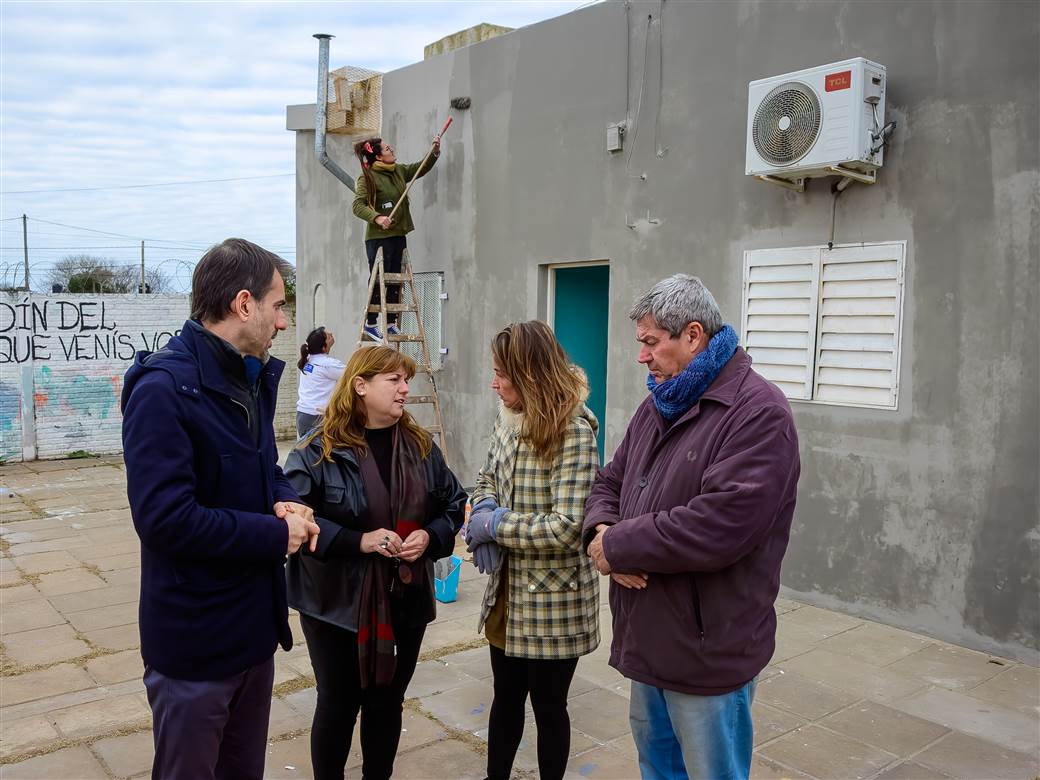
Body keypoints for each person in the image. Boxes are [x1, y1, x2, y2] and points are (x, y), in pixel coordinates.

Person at [581, 274, 800, 780]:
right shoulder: (659, 402)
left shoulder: (759, 413)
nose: (642, 357)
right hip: (651, 637)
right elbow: (609, 482)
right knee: (657, 766)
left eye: (651, 343)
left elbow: (720, 524)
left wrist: (622, 545)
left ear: (694, 335)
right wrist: (602, 533)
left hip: (708, 649)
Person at [120, 238, 320, 780]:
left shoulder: (247, 378)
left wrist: (292, 504)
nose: (284, 322)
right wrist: (277, 537)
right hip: (195, 647)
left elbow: (264, 473)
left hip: (252, 636)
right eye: (279, 305)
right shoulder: (164, 389)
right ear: (243, 304)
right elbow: (165, 519)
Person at [283, 345, 466, 780]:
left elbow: (453, 503)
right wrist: (356, 540)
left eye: (407, 380)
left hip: (405, 597)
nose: (405, 390)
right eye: (395, 381)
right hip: (335, 605)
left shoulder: (421, 445)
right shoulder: (317, 449)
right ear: (361, 386)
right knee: (337, 704)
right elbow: (293, 515)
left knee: (387, 703)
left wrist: (431, 535)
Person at [465, 321, 601, 780]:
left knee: (548, 706)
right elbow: (486, 476)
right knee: (505, 697)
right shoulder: (507, 418)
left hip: (552, 601)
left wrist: (496, 526)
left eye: (502, 373)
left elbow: (567, 527)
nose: (494, 383)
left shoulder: (574, 433)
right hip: (507, 593)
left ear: (531, 374)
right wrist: (482, 506)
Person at [352, 134, 440, 342]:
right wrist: (378, 217)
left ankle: (391, 322)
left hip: (398, 233)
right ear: (379, 157)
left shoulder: (398, 171)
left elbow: (420, 168)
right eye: (387, 149)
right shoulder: (367, 178)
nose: (392, 150)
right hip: (378, 237)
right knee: (379, 279)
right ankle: (371, 322)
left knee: (396, 278)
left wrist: (434, 152)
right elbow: (358, 206)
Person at [296, 326, 345, 436]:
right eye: (328, 336)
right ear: (323, 347)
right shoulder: (328, 364)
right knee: (323, 451)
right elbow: (354, 374)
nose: (331, 334)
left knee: (309, 452)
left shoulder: (308, 360)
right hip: (317, 418)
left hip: (303, 415)